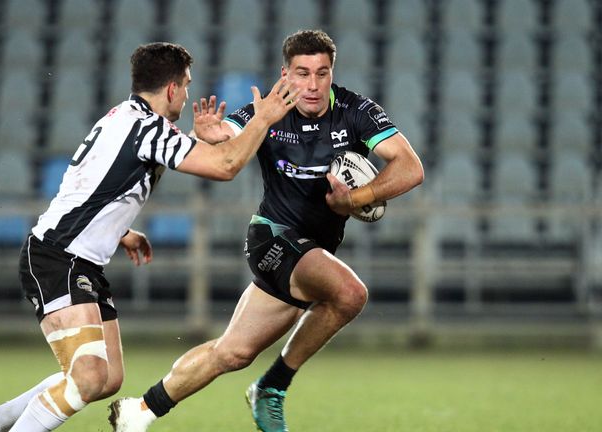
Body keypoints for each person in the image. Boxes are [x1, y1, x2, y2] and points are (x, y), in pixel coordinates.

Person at [0, 42, 299, 432]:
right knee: (87, 376)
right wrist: (264, 119)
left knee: (106, 379)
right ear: (172, 89)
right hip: (57, 257)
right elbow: (225, 166)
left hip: (78, 258)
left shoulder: (128, 119)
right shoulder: (145, 127)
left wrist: (120, 229)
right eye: (187, 85)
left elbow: (96, 183)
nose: (188, 94)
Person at [108, 29, 424, 432]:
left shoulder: (355, 111)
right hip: (272, 238)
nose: (311, 85)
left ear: (332, 74)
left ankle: (140, 411)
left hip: (313, 251)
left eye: (321, 73)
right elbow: (226, 138)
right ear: (285, 74)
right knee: (349, 294)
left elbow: (411, 168)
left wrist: (359, 197)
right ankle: (273, 387)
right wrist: (210, 136)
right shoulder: (268, 111)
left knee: (233, 353)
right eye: (302, 73)